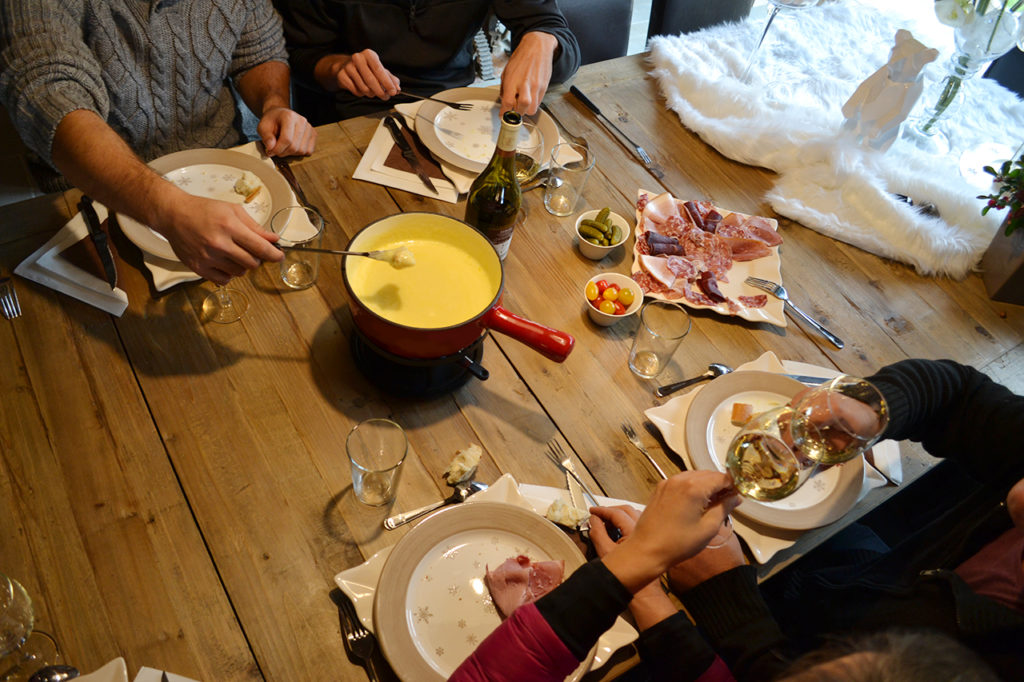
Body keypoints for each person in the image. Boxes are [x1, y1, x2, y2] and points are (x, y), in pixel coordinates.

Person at [452, 358, 1021, 680]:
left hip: (767, 633)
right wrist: (873, 408)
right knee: (853, 542)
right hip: (850, 587)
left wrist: (719, 597)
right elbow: (961, 393)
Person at [0, 0, 318, 283]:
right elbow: (46, 91)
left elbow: (258, 50)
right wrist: (169, 210)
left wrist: (274, 104)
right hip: (97, 194)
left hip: (223, 169)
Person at [272, 0, 582, 124]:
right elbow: (293, 56)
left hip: (450, 108)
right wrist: (337, 68)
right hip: (348, 116)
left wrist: (543, 39)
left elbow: (560, 37)